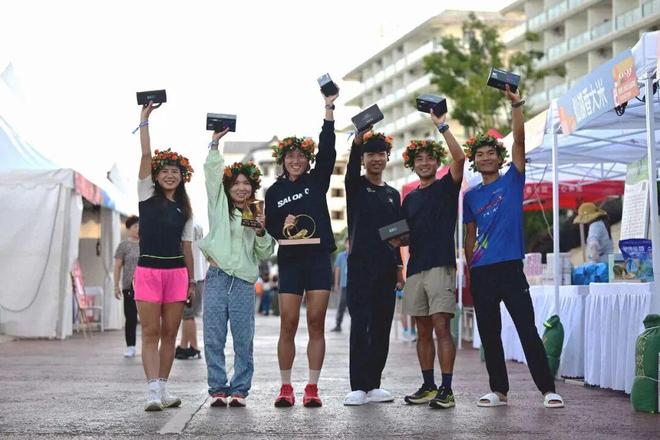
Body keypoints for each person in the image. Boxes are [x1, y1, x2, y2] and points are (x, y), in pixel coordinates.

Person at [463, 86, 564, 409]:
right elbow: (470, 234)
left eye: (490, 153)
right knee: (489, 334)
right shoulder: (470, 196)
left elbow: (519, 141)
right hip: (482, 271)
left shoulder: (513, 179)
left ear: (499, 157)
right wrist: (470, 267)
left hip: (510, 268)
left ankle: (548, 390)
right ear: (474, 162)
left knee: (526, 329)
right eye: (480, 154)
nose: (485, 157)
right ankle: (499, 391)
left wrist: (516, 105)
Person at [265, 90, 338, 408]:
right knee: (288, 323)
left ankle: (312, 387)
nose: (296, 161)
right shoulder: (274, 191)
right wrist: (281, 223)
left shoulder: (317, 180)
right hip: (291, 260)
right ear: (282, 160)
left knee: (316, 322)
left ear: (308, 160)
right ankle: (285, 387)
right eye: (290, 156)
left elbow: (328, 150)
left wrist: (329, 109)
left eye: (301, 156)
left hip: (318, 258)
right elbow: (269, 225)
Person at [198, 128, 275, 408]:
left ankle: (240, 388)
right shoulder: (219, 205)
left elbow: (264, 252)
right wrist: (215, 144)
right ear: (228, 187)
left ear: (252, 188)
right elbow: (212, 175)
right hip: (217, 278)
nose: (241, 188)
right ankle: (218, 387)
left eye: (246, 184)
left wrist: (262, 231)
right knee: (213, 337)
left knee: (244, 339)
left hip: (243, 281)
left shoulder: (255, 212)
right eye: (236, 183)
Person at [400, 109, 465, 409]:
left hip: (441, 265)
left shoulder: (446, 186)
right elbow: (405, 235)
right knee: (422, 331)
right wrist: (396, 240)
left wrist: (442, 126)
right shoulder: (410, 198)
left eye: (429, 158)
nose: (424, 163)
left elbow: (460, 159)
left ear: (437, 163)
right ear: (412, 165)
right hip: (415, 269)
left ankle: (447, 389)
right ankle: (428, 385)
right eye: (419, 160)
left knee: (442, 328)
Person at [134, 101, 196, 411]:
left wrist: (192, 281)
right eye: (165, 171)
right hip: (148, 272)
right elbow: (146, 155)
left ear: (182, 177)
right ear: (156, 176)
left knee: (171, 333)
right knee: (151, 332)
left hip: (177, 274)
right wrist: (144, 119)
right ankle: (151, 393)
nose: (170, 175)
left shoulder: (185, 209)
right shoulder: (146, 195)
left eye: (175, 172)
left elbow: (187, 247)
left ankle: (163, 388)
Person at [343, 129, 405, 406]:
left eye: (381, 154)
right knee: (361, 325)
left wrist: (399, 267)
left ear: (387, 157)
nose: (376, 159)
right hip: (360, 268)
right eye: (371, 155)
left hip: (386, 270)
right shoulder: (355, 186)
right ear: (363, 159)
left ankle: (374, 385)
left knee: (382, 326)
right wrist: (358, 142)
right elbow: (351, 168)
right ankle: (358, 386)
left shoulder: (393, 194)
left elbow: (397, 235)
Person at [176, 224, 207, 360]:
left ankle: (194, 347)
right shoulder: (198, 225)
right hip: (200, 274)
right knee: (188, 314)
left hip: (190, 276)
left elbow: (186, 250)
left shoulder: (185, 224)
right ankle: (184, 346)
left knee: (188, 314)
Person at [114, 215, 140, 358]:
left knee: (148, 317)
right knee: (130, 317)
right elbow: (117, 266)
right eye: (135, 226)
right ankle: (131, 346)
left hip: (146, 285)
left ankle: (150, 345)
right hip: (129, 285)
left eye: (140, 226)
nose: (138, 229)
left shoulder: (146, 243)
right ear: (129, 229)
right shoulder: (123, 245)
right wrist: (116, 285)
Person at [330, 239, 349, 332]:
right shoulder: (341, 256)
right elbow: (337, 270)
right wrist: (336, 284)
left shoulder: (355, 254)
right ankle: (338, 324)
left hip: (354, 285)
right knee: (341, 304)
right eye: (348, 243)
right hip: (344, 284)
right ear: (345, 244)